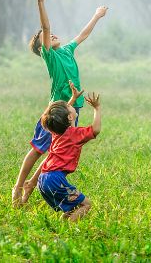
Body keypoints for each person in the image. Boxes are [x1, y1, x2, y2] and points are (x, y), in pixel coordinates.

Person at [12, 0, 108, 206]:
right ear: (41, 47)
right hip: (56, 110)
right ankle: (18, 186)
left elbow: (83, 35)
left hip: (73, 108)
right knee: (38, 149)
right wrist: (40, 2)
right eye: (45, 37)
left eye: (53, 34)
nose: (52, 35)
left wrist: (96, 16)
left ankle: (32, 185)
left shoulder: (66, 50)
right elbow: (45, 27)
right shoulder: (50, 56)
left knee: (58, 149)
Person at [38, 84, 101, 221]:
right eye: (69, 106)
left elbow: (60, 116)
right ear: (70, 117)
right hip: (55, 180)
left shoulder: (56, 132)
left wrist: (72, 99)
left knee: (73, 207)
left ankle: (62, 225)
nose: (71, 105)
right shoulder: (75, 134)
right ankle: (68, 231)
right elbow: (95, 129)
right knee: (86, 204)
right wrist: (97, 108)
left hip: (43, 179)